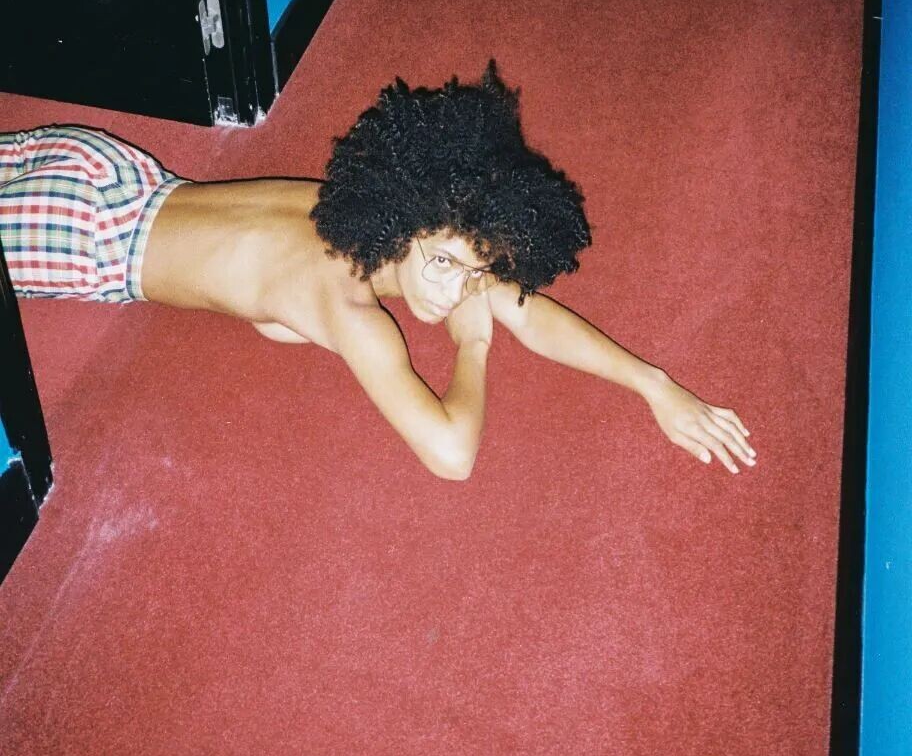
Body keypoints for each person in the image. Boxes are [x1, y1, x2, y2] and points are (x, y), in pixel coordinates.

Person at [0, 63, 754, 481]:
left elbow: (519, 303)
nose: (456, 291)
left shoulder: (376, 215)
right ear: (414, 225)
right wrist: (473, 346)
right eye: (445, 265)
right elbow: (452, 455)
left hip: (111, 168)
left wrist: (654, 384)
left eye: (473, 274)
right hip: (89, 238)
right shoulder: (350, 310)